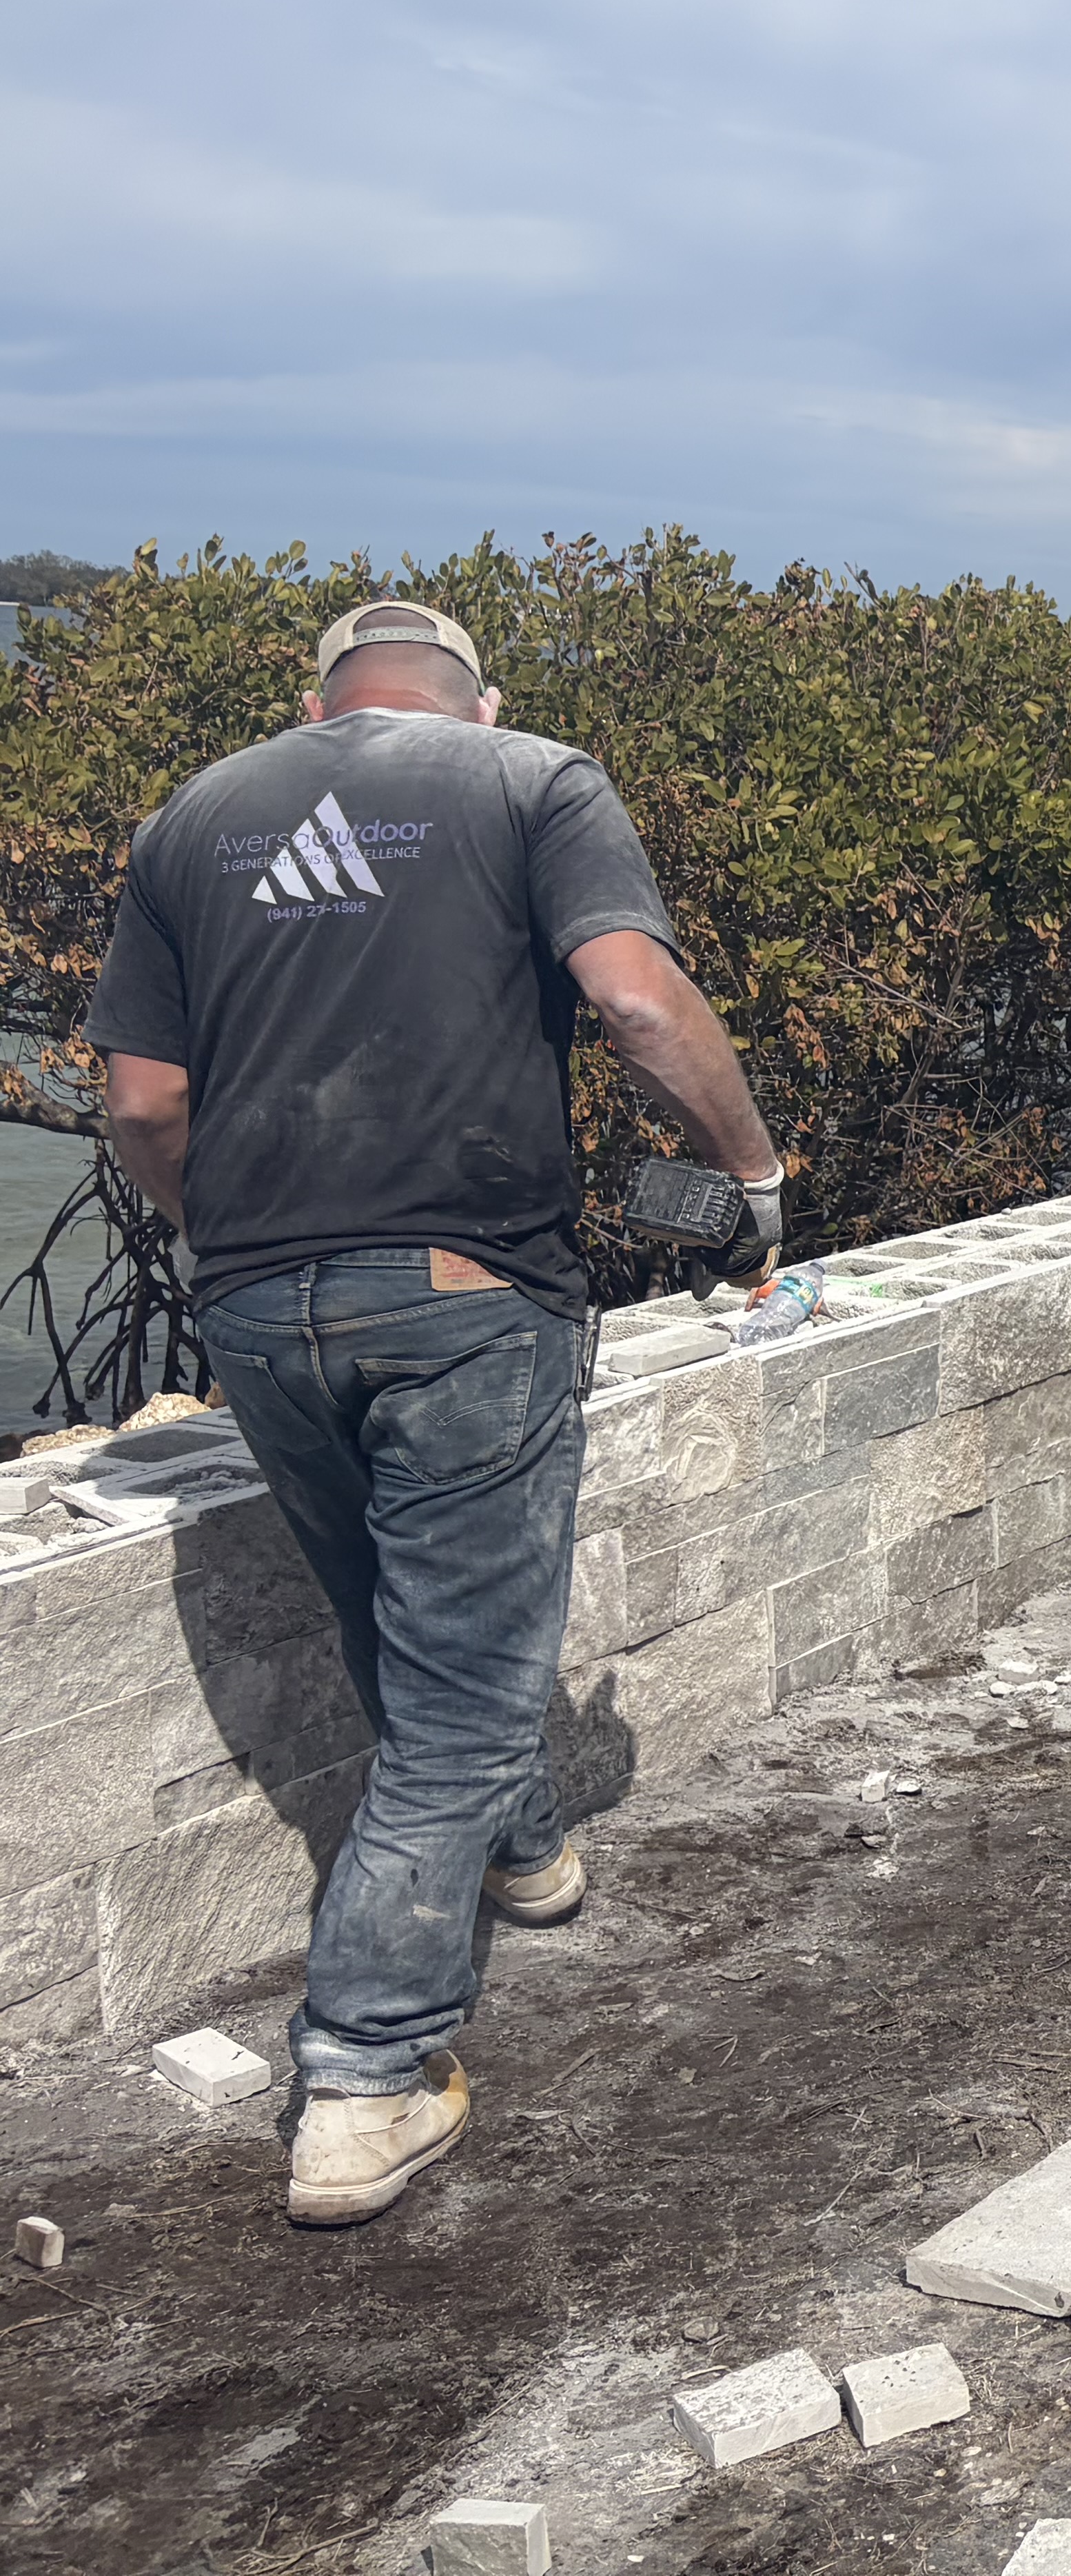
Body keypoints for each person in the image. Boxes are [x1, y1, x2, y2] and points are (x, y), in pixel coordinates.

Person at [86, 599, 786, 2226]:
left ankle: (523, 1854)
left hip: (258, 1310)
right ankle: (367, 2073)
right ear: (480, 699)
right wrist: (750, 1176)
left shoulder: (193, 816)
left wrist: (230, 1242)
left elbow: (141, 1100)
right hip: (469, 1298)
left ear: (318, 700)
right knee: (464, 1683)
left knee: (396, 1621)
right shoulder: (533, 778)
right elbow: (636, 1004)